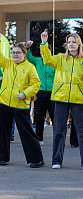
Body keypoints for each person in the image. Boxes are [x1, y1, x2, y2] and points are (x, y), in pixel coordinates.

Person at [0, 33, 44, 168]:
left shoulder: (30, 67)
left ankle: (36, 159)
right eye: (13, 52)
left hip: (20, 104)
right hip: (4, 102)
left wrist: (25, 94)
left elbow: (35, 84)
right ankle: (3, 158)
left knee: (26, 132)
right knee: (4, 131)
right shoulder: (7, 63)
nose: (14, 55)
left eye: (17, 52)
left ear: (24, 54)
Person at [40, 30, 83, 169]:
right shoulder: (59, 58)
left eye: (73, 42)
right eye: (69, 42)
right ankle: (56, 161)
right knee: (59, 131)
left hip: (78, 100)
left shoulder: (82, 61)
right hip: (60, 98)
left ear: (79, 44)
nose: (71, 44)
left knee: (81, 131)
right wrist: (44, 43)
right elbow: (46, 60)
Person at [26, 40, 55, 145]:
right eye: (42, 51)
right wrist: (28, 48)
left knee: (54, 116)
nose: (43, 53)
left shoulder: (54, 62)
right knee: (39, 116)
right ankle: (39, 138)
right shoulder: (37, 61)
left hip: (52, 92)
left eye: (46, 51)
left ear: (50, 52)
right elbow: (28, 58)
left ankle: (57, 138)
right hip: (40, 92)